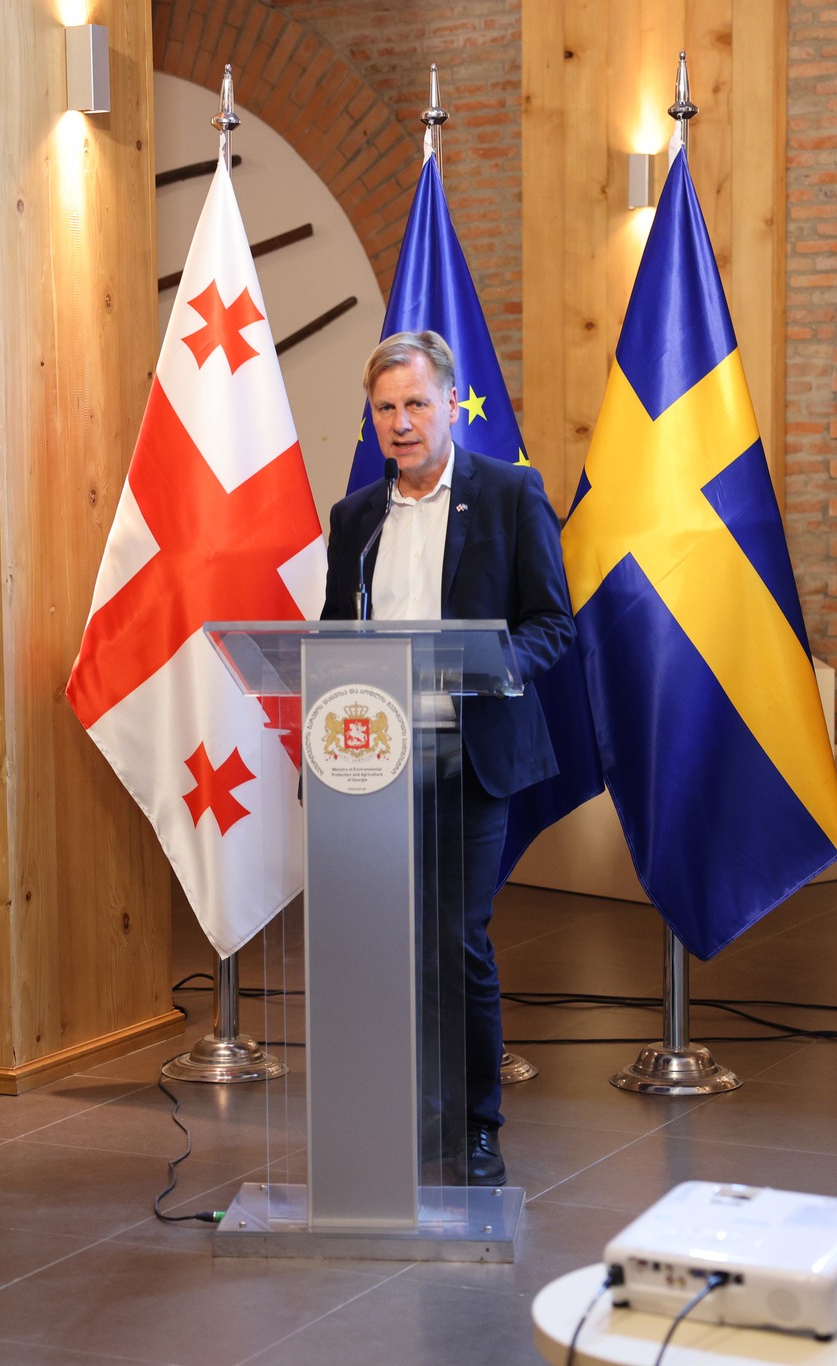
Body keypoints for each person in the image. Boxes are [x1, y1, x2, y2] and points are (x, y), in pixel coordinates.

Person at [322, 331, 574, 1186]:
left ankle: (474, 1124)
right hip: (374, 759)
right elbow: (335, 638)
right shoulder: (355, 519)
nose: (401, 423)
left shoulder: (508, 494)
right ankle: (404, 1110)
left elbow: (553, 624)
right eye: (385, 408)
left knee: (457, 938)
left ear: (449, 405)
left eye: (416, 404)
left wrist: (493, 664)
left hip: (470, 755)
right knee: (389, 942)